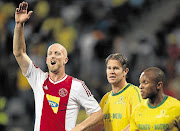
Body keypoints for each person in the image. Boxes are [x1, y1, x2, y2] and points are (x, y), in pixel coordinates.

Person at [13, 2, 103, 131]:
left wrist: (80, 127)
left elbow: (98, 113)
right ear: (46, 60)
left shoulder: (77, 85)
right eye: (50, 54)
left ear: (66, 60)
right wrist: (19, 26)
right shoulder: (38, 78)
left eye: (57, 53)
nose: (53, 56)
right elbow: (19, 53)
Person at [94, 53, 143, 131]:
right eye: (109, 68)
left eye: (116, 68)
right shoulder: (106, 99)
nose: (111, 72)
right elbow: (96, 126)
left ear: (125, 71)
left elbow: (139, 122)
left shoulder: (134, 93)